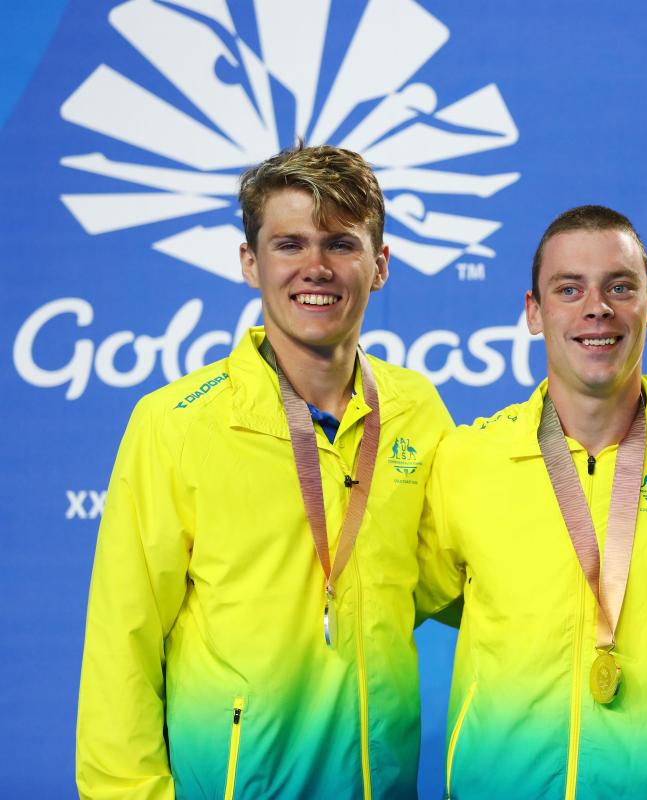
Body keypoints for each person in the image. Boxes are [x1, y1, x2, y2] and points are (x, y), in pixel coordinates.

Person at [76, 145, 452, 799]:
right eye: (289, 244)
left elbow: (464, 577)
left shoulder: (417, 410)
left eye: (341, 244)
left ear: (380, 264)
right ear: (250, 263)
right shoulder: (176, 424)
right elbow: (122, 642)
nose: (316, 267)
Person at [417, 206, 647, 798]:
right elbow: (423, 597)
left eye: (618, 287)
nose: (595, 306)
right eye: (568, 288)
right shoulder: (468, 460)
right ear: (534, 311)